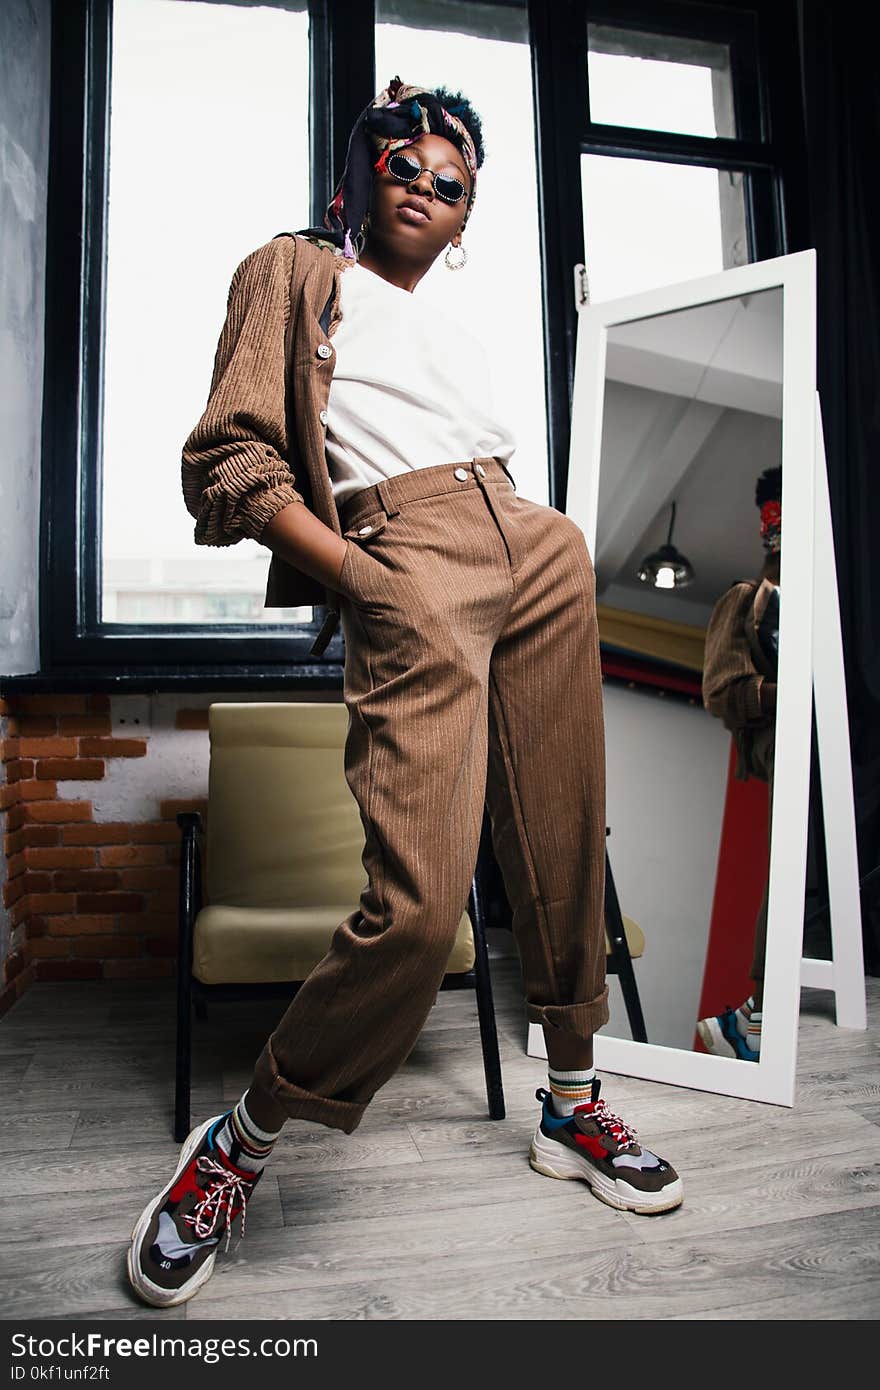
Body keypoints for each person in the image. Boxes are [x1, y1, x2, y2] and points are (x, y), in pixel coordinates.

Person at [126, 76, 683, 1311]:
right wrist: (364, 579)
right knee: (422, 910)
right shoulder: (294, 272)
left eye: (455, 181)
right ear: (359, 172)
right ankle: (237, 1144)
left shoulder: (454, 326)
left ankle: (573, 1103)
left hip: (531, 544)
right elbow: (228, 459)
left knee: (558, 846)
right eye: (408, 167)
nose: (429, 189)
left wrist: (543, 537)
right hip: (405, 554)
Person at [697, 466, 781, 1062]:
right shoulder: (746, 603)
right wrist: (790, 690)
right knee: (795, 871)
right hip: (783, 749)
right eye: (772, 521)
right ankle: (755, 1013)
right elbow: (722, 691)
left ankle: (753, 1017)